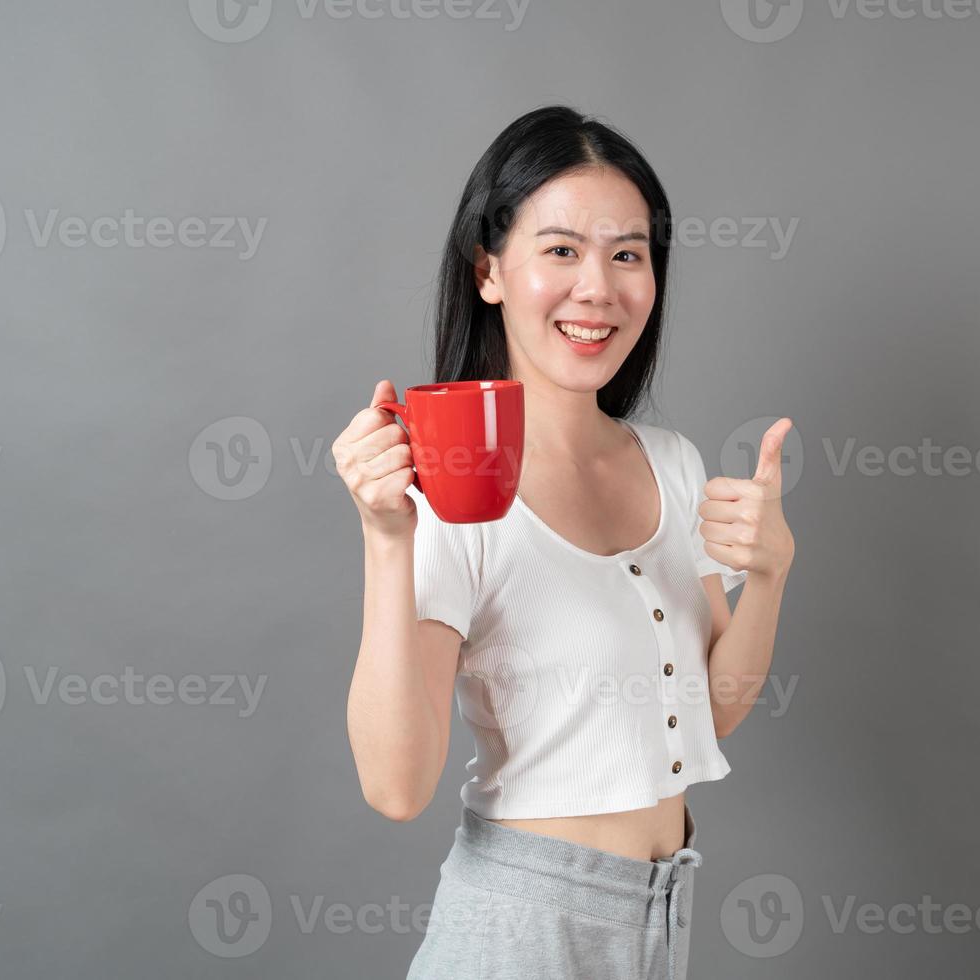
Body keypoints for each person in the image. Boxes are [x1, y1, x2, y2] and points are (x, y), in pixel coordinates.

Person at [332, 104, 795, 980]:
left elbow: (710, 708)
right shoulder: (453, 485)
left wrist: (769, 575)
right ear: (488, 269)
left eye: (627, 254)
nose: (599, 288)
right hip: (521, 933)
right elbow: (396, 789)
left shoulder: (672, 463)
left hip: (660, 922)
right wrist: (387, 539)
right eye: (560, 251)